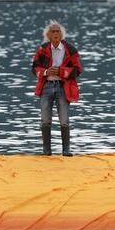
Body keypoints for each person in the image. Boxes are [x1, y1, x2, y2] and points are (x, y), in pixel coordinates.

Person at [31, 21, 83, 156]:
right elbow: (34, 68)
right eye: (53, 31)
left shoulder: (70, 50)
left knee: (64, 120)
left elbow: (78, 70)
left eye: (58, 31)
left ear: (61, 34)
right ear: (48, 35)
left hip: (63, 87)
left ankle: (66, 150)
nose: (55, 34)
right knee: (45, 120)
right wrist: (46, 72)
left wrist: (61, 72)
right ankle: (46, 151)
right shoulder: (42, 49)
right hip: (46, 86)